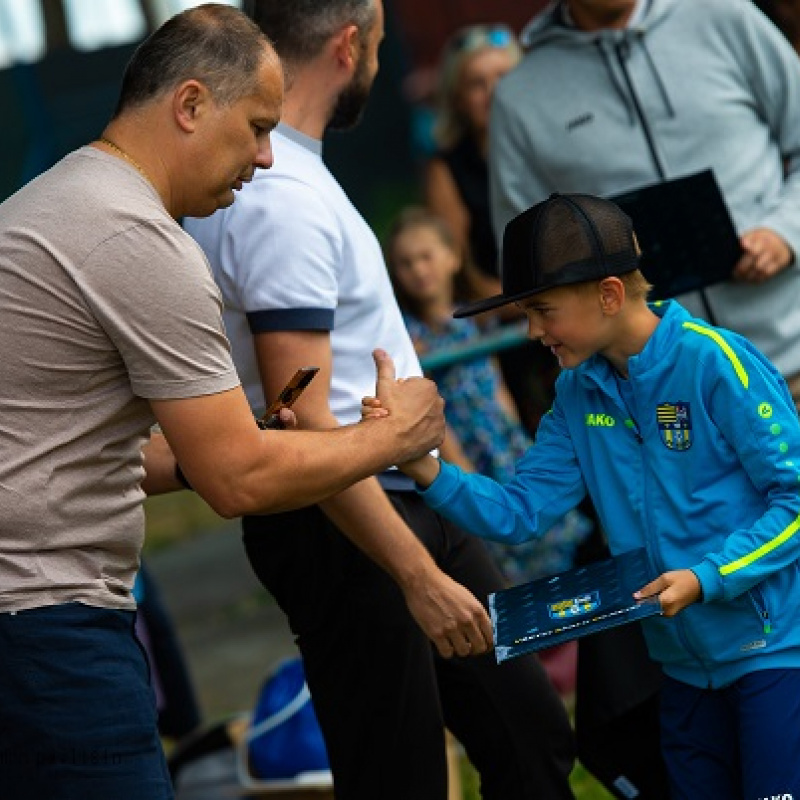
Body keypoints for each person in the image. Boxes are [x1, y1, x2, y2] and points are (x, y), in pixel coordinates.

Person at [0, 6, 451, 799]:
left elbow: (64, 442)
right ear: (190, 104)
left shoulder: (59, 198)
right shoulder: (138, 240)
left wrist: (245, 437)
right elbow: (236, 481)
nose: (267, 157)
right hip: (46, 624)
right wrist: (394, 436)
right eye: (256, 127)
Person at [185, 2, 577, 799]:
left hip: (402, 492)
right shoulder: (279, 195)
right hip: (348, 519)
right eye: (383, 46)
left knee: (529, 733)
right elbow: (309, 420)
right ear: (350, 45)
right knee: (399, 775)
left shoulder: (292, 172)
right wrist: (416, 573)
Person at [368, 193, 800, 799]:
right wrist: (425, 467)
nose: (533, 331)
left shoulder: (717, 362)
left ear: (609, 295)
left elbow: (795, 502)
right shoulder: (576, 392)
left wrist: (707, 577)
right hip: (680, 668)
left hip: (776, 655)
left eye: (543, 309)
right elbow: (520, 512)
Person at [489, 0, 800, 408]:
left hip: (792, 360)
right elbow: (528, 264)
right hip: (665, 404)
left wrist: (785, 232)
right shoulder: (519, 96)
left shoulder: (727, 17)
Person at [385, 205, 592, 586]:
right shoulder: (408, 336)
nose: (418, 270)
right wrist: (454, 461)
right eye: (405, 262)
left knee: (543, 527)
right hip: (459, 442)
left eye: (425, 257)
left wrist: (515, 430)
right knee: (492, 538)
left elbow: (495, 382)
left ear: (452, 257)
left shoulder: (474, 318)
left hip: (499, 437)